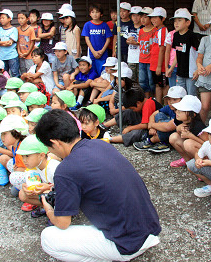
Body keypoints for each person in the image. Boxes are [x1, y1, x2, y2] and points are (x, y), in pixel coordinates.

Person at [35, 109, 161, 261]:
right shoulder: (100, 144)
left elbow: (63, 223)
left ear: (55, 143)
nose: (50, 152)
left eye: (49, 148)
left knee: (47, 238)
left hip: (126, 244)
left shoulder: (65, 169)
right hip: (149, 229)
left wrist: (49, 210)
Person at [133, 86, 187, 153]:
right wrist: (152, 128)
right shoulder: (169, 107)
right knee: (159, 115)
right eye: (169, 99)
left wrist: (152, 125)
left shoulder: (184, 111)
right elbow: (153, 114)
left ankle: (151, 141)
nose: (170, 102)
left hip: (180, 135)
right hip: (167, 128)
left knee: (167, 125)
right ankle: (163, 142)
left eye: (174, 100)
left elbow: (168, 127)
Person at [18, 134, 60, 218]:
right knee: (22, 194)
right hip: (47, 194)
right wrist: (26, 187)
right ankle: (45, 207)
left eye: (27, 156)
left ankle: (57, 212)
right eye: (23, 157)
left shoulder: (54, 168)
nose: (24, 160)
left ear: (41, 155)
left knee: (50, 194)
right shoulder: (33, 168)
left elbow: (66, 188)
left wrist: (48, 187)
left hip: (58, 195)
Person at [0, 114, 29, 203]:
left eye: (4, 134)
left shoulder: (22, 147)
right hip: (20, 169)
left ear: (15, 133)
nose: (2, 137)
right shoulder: (15, 145)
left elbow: (31, 168)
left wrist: (18, 169)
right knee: (3, 158)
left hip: (31, 175)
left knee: (13, 180)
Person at [168, 8, 201, 96]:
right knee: (180, 95)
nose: (176, 23)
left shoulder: (192, 36)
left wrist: (198, 70)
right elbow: (177, 54)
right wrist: (171, 68)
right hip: (180, 72)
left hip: (191, 73)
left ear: (188, 22)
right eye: (175, 21)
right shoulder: (175, 35)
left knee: (191, 95)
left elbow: (200, 53)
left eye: (179, 20)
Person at [168, 95, 207, 167]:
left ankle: (203, 166)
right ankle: (188, 161)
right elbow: (178, 131)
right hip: (194, 147)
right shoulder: (181, 120)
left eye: (181, 111)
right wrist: (179, 128)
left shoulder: (198, 126)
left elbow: (208, 145)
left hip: (206, 152)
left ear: (192, 114)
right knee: (173, 137)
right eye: (177, 110)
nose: (177, 112)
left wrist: (191, 136)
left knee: (188, 143)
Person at [82, 3, 113, 75]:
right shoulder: (87, 25)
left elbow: (108, 39)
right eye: (92, 12)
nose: (95, 14)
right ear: (90, 14)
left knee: (103, 73)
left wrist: (102, 51)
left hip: (103, 54)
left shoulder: (104, 25)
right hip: (92, 53)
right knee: (92, 73)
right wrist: (93, 52)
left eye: (97, 12)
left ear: (101, 14)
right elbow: (87, 39)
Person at [148, 7, 168, 104]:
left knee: (164, 86)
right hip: (154, 64)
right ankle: (159, 106)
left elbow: (162, 49)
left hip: (160, 65)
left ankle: (165, 106)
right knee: (157, 85)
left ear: (163, 18)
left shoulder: (163, 31)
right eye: (152, 18)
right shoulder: (156, 30)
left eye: (156, 18)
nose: (153, 20)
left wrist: (159, 66)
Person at [0, 9, 20, 77]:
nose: (1, 20)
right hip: (2, 56)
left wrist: (1, 42)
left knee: (15, 73)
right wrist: (4, 42)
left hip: (12, 56)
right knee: (3, 75)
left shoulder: (14, 29)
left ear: (9, 18)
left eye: (3, 18)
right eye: (0, 18)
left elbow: (10, 43)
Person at [138, 7, 155, 98]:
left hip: (151, 60)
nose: (142, 19)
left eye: (145, 17)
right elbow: (140, 42)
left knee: (152, 81)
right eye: (141, 17)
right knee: (142, 81)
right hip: (142, 59)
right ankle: (146, 99)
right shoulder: (141, 31)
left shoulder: (154, 30)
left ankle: (154, 98)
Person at [17, 11, 37, 75]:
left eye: (22, 18)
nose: (20, 20)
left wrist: (27, 53)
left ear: (27, 19)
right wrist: (19, 52)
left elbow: (32, 42)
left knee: (30, 70)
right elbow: (17, 42)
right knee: (22, 71)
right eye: (19, 18)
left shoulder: (30, 29)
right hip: (21, 55)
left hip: (29, 55)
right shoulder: (17, 29)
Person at [126, 5, 143, 81]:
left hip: (141, 57)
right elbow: (126, 40)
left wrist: (136, 43)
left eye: (137, 15)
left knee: (141, 79)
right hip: (131, 57)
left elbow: (146, 42)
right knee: (131, 79)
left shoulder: (144, 28)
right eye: (133, 16)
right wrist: (128, 41)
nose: (135, 18)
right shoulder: (129, 28)